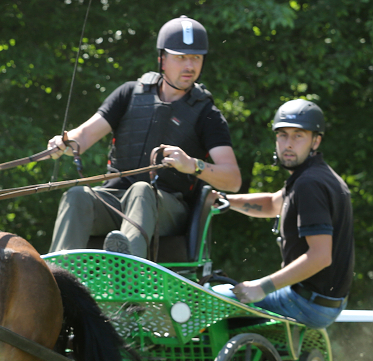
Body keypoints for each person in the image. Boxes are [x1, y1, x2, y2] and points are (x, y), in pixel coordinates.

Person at [47, 15, 241, 258]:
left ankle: (126, 282)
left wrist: (193, 165)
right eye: (181, 57)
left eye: (196, 58)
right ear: (162, 59)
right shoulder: (128, 94)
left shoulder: (207, 115)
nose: (190, 66)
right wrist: (64, 142)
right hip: (114, 199)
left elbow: (233, 179)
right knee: (76, 195)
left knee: (141, 190)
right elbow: (83, 136)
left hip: (168, 208)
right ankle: (61, 281)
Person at [215, 99, 353, 329]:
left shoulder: (310, 184)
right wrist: (224, 201)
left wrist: (262, 287)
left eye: (298, 136)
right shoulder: (313, 176)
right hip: (322, 300)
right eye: (282, 135)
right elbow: (271, 204)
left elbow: (321, 256)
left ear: (315, 141)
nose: (288, 144)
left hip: (307, 303)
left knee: (216, 297)